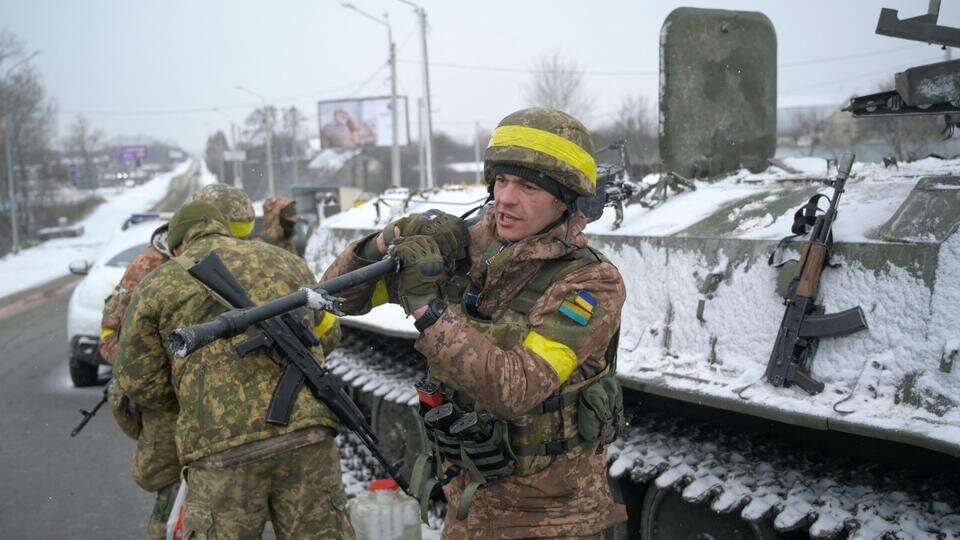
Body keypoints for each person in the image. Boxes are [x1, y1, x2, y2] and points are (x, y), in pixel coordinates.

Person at [321, 107, 627, 538]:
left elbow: (516, 388)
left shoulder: (590, 282)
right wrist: (389, 239)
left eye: (527, 186)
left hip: (550, 523)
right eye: (501, 181)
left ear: (565, 200)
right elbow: (335, 297)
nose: (506, 198)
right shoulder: (464, 250)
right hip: (466, 511)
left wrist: (427, 308)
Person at [114, 200, 351, 539]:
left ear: (178, 243)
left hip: (220, 451)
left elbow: (137, 379)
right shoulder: (287, 261)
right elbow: (327, 335)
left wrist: (195, 397)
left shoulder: (157, 284)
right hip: (307, 435)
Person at [98, 184, 259, 540]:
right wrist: (169, 381)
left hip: (228, 403)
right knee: (173, 495)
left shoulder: (245, 256)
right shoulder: (149, 267)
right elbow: (113, 339)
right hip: (171, 406)